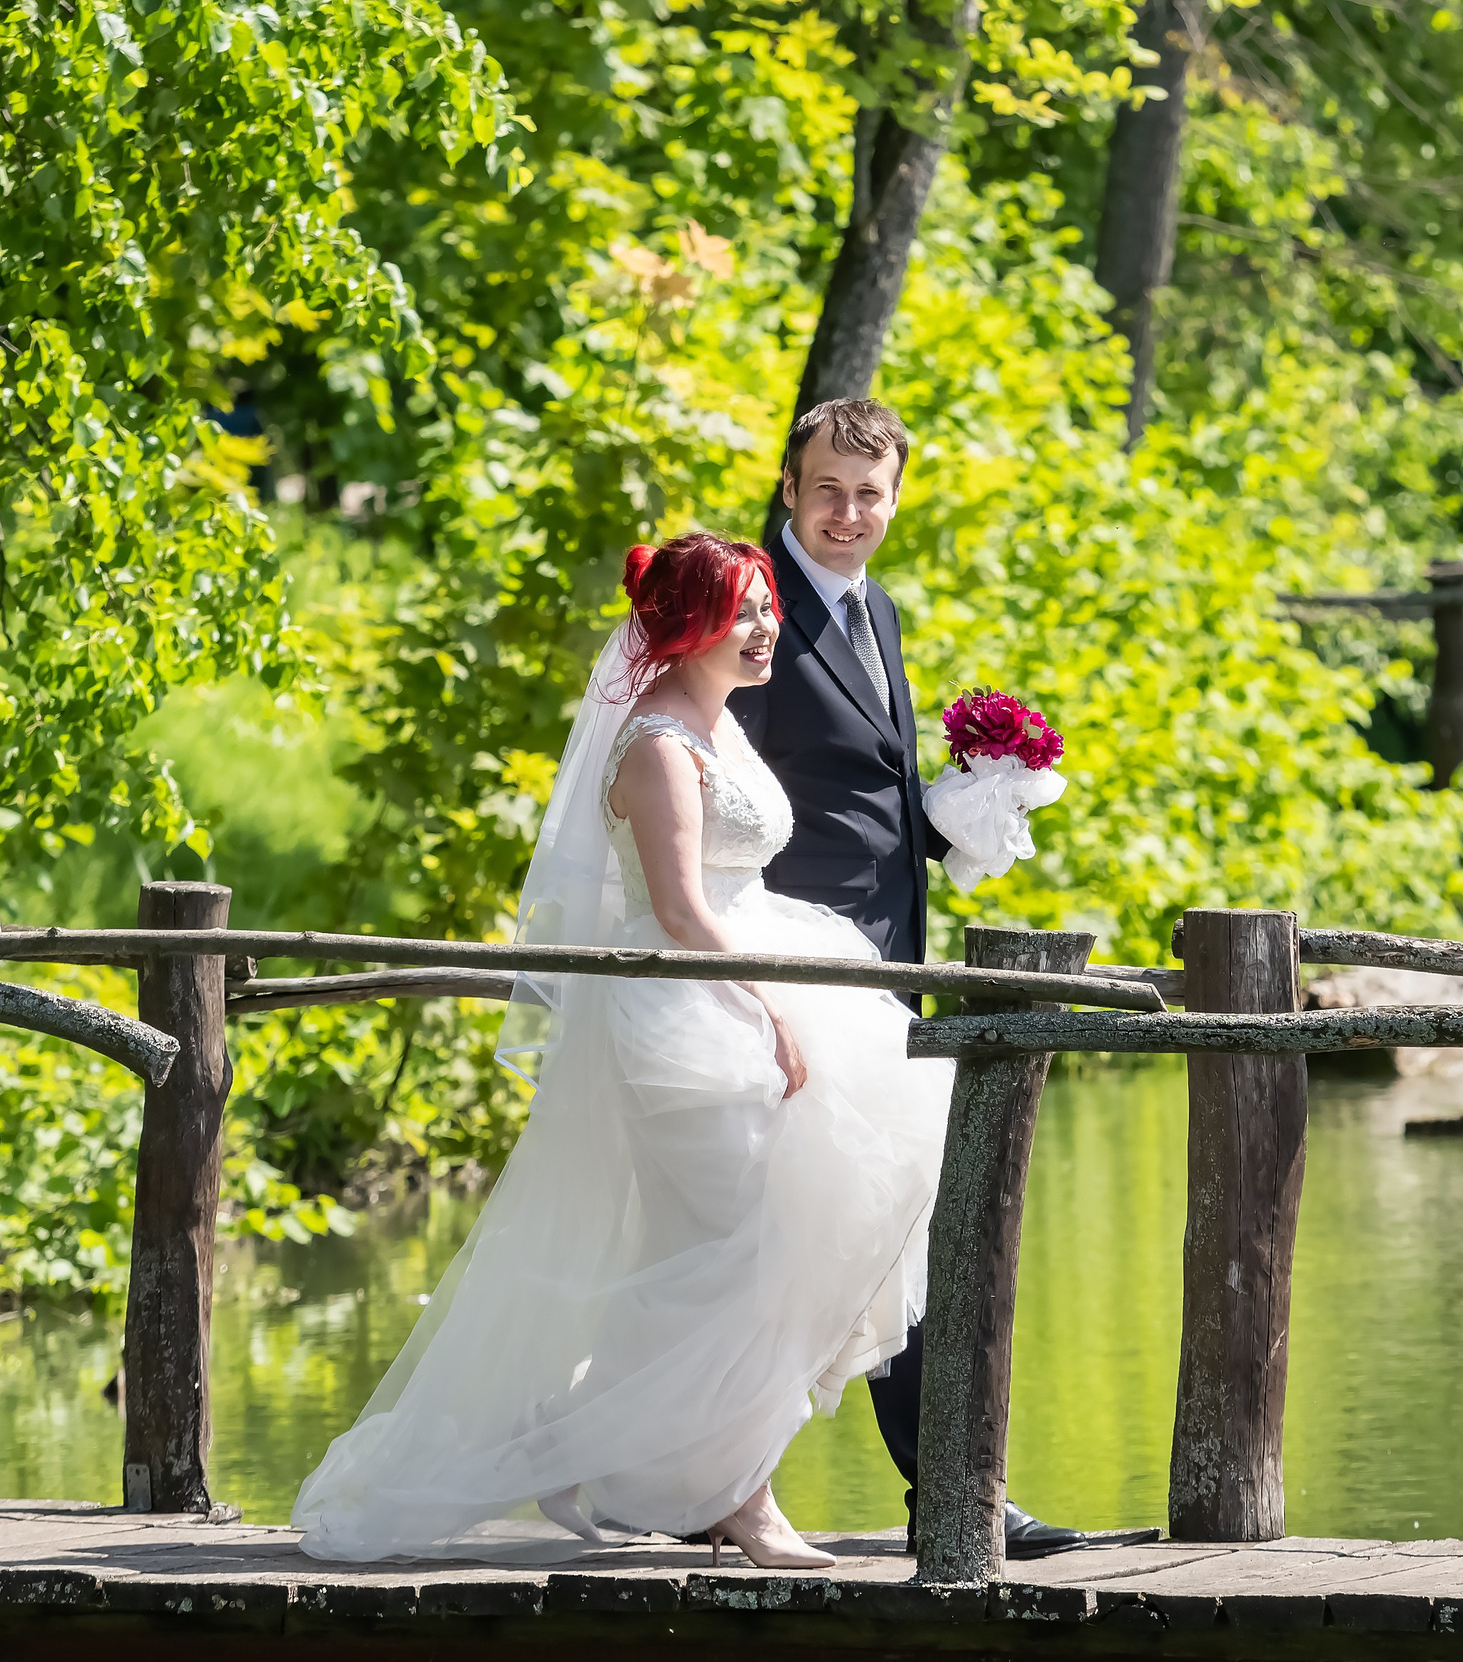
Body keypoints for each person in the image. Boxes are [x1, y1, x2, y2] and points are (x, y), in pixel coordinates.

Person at [292, 532, 953, 1569]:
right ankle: (726, 1494)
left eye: (767, 609)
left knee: (756, 1243)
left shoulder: (720, 724)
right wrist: (771, 1008)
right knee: (740, 1252)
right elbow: (682, 911)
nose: (766, 628)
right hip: (686, 1015)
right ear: (689, 627)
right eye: (743, 614)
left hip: (748, 979)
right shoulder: (656, 745)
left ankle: (577, 1431)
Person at [728, 398, 1089, 1561]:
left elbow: (861, 803)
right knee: (799, 1226)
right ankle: (737, 1481)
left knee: (893, 1219)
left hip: (885, 968)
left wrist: (963, 807)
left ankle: (947, 1490)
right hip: (793, 969)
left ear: (894, 499)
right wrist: (746, 972)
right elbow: (714, 783)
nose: (848, 513)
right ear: (789, 490)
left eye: (869, 494)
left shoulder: (873, 607)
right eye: (827, 491)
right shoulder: (750, 610)